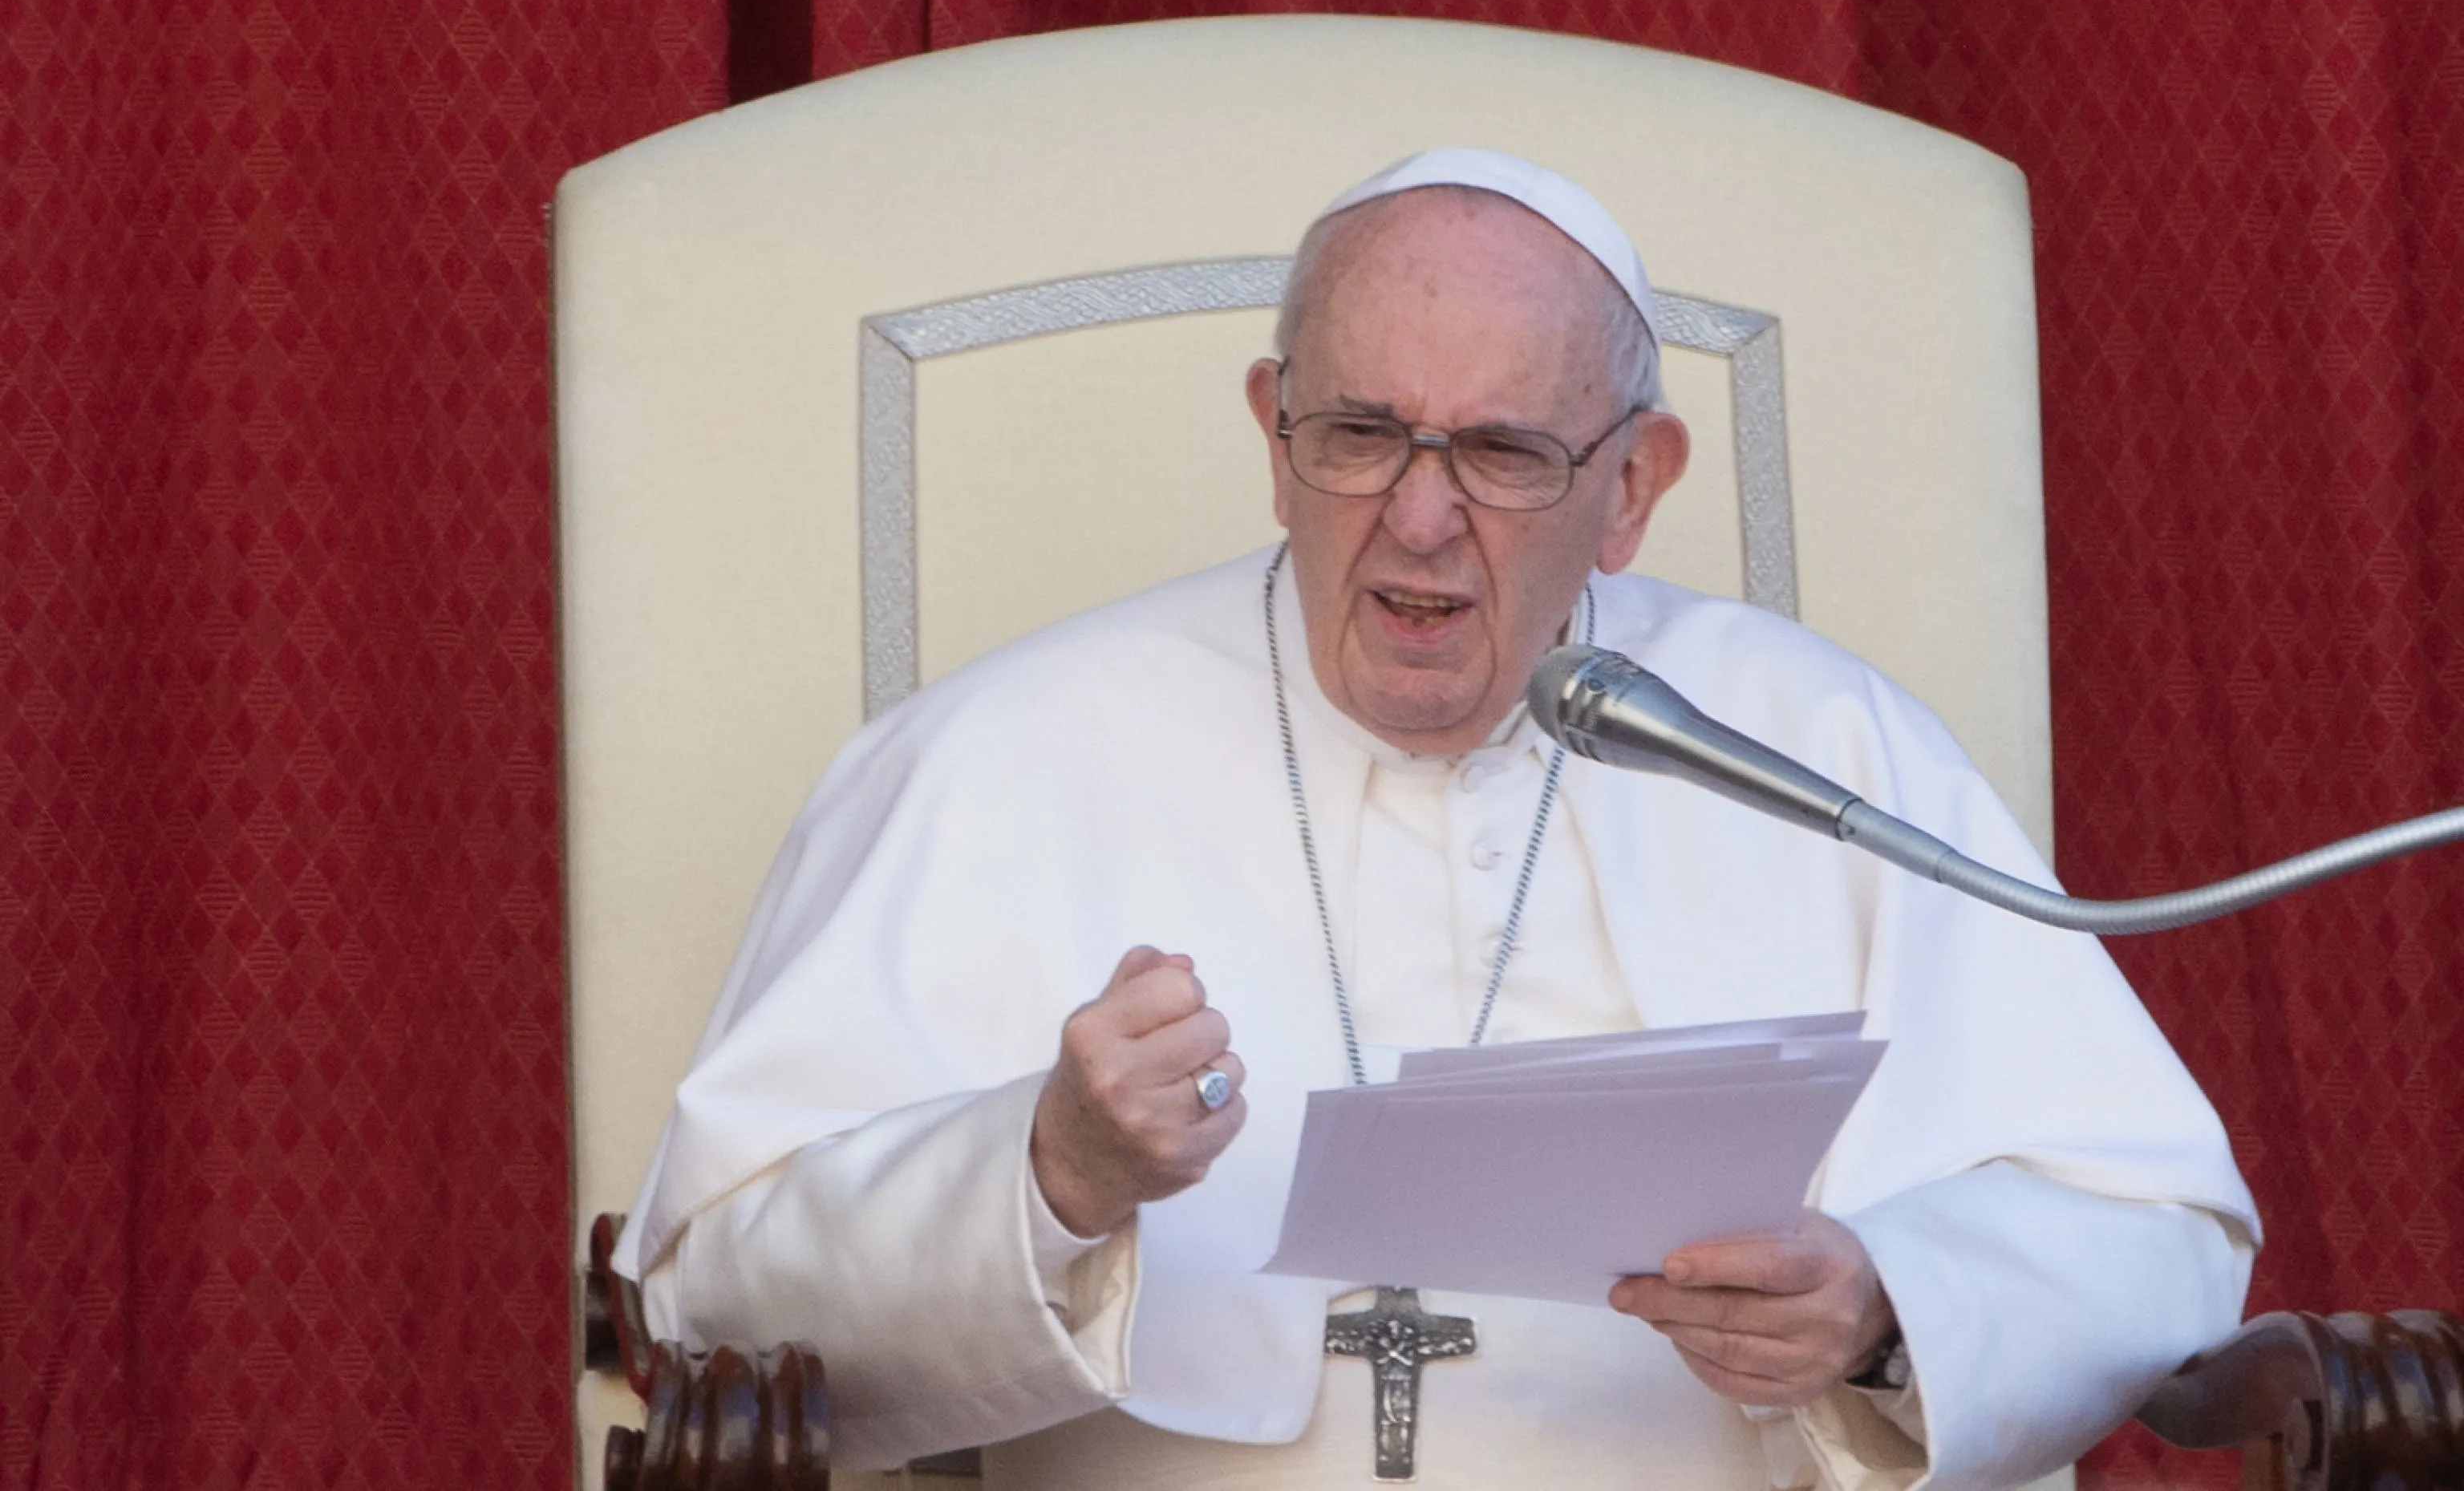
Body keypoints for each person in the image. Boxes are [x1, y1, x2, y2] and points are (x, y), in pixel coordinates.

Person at [614, 149, 2258, 1489]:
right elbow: (708, 1300)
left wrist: (1888, 1311)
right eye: (1356, 436)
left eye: (1501, 452)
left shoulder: (1825, 746)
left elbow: (2150, 1222)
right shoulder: (996, 752)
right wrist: (1043, 1169)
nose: (1416, 515)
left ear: (1634, 485)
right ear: (1271, 432)